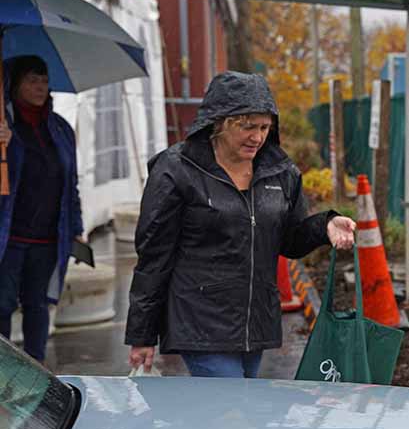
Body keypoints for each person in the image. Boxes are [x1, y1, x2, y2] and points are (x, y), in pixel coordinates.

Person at [125, 71, 356, 379]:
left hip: (255, 323)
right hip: (201, 322)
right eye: (247, 127)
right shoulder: (177, 170)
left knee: (236, 417)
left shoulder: (280, 172)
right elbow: (154, 255)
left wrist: (324, 225)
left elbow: (290, 239)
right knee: (230, 415)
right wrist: (142, 334)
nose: (257, 137)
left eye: (263, 127)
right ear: (220, 122)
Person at [0, 55, 84, 363]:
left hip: (47, 239)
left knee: (37, 304)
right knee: (2, 305)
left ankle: (36, 370)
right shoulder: (4, 126)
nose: (40, 87)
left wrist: (76, 228)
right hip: (8, 237)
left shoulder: (60, 129)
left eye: (44, 80)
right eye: (32, 80)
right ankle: (2, 374)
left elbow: (70, 184)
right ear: (15, 84)